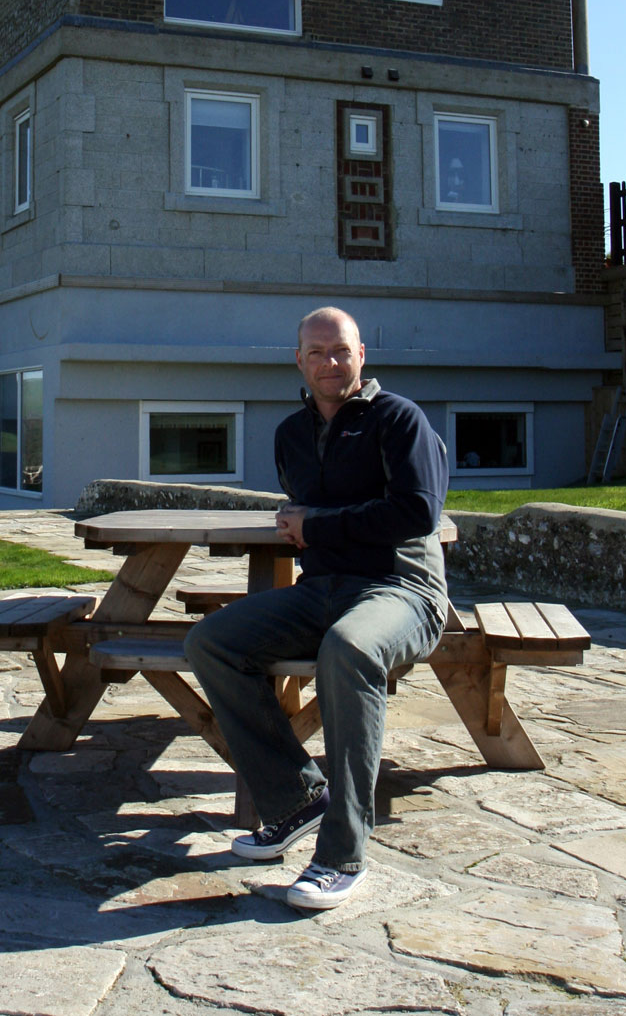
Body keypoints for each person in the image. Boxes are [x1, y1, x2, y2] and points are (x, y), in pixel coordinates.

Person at [184, 305, 449, 911]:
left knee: (349, 649)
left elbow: (416, 514)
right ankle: (297, 799)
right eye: (317, 353)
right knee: (210, 643)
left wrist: (317, 525)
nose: (331, 363)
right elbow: (307, 519)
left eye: (342, 351)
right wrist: (306, 527)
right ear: (298, 360)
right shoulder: (290, 435)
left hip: (401, 589)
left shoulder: (398, 420)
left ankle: (341, 854)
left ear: (362, 356)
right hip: (323, 590)